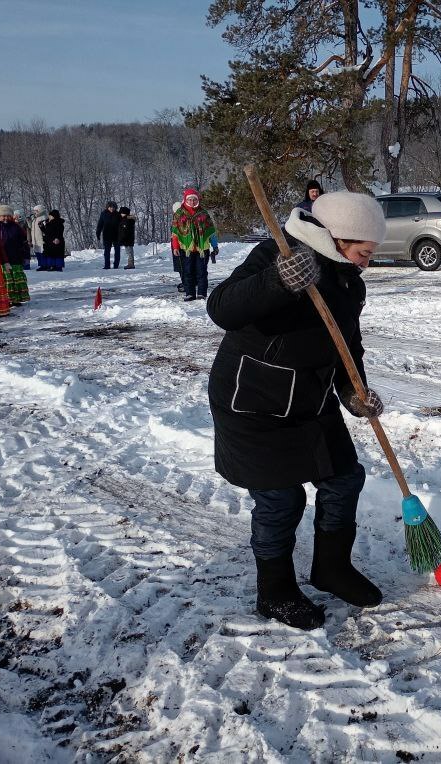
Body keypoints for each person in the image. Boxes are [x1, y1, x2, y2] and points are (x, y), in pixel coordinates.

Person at [207, 191, 388, 631]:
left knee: (344, 478)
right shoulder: (277, 254)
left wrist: (354, 392)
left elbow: (348, 347)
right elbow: (222, 307)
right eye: (364, 253)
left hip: (311, 398)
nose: (366, 264)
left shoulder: (349, 281)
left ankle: (331, 568)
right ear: (339, 239)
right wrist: (277, 281)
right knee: (281, 499)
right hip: (254, 401)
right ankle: (275, 592)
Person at [171, 188, 217, 302]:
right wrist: (175, 247)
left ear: (198, 200)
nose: (192, 202)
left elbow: (211, 232)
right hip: (186, 249)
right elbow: (175, 233)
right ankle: (189, 293)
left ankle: (201, 293)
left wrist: (215, 246)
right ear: (186, 200)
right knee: (187, 271)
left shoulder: (204, 214)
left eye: (194, 199)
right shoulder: (179, 214)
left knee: (202, 271)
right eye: (190, 199)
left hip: (202, 248)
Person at [0, 204, 31, 306]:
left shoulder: (15, 227)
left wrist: (26, 256)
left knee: (16, 279)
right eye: (3, 216)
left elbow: (24, 242)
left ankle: (16, 299)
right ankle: (6, 299)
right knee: (6, 280)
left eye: (8, 216)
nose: (5, 218)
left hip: (16, 256)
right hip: (2, 258)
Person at [96, 200, 121, 269]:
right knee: (107, 251)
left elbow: (122, 225)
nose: (112, 208)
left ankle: (116, 265)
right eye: (110, 207)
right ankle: (107, 265)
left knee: (117, 251)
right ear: (107, 207)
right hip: (107, 235)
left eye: (113, 207)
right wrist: (98, 233)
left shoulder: (118, 214)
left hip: (116, 235)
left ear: (115, 207)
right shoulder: (103, 214)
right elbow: (100, 224)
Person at [170, 201, 186, 292]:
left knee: (182, 266)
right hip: (181, 246)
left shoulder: (179, 220)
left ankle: (186, 284)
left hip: (180, 247)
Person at [30, 205, 48, 270]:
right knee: (38, 252)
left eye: (36, 211)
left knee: (42, 252)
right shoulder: (35, 219)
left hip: (41, 238)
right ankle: (41, 265)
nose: (35, 212)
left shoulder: (44, 218)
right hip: (35, 239)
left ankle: (45, 265)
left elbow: (46, 229)